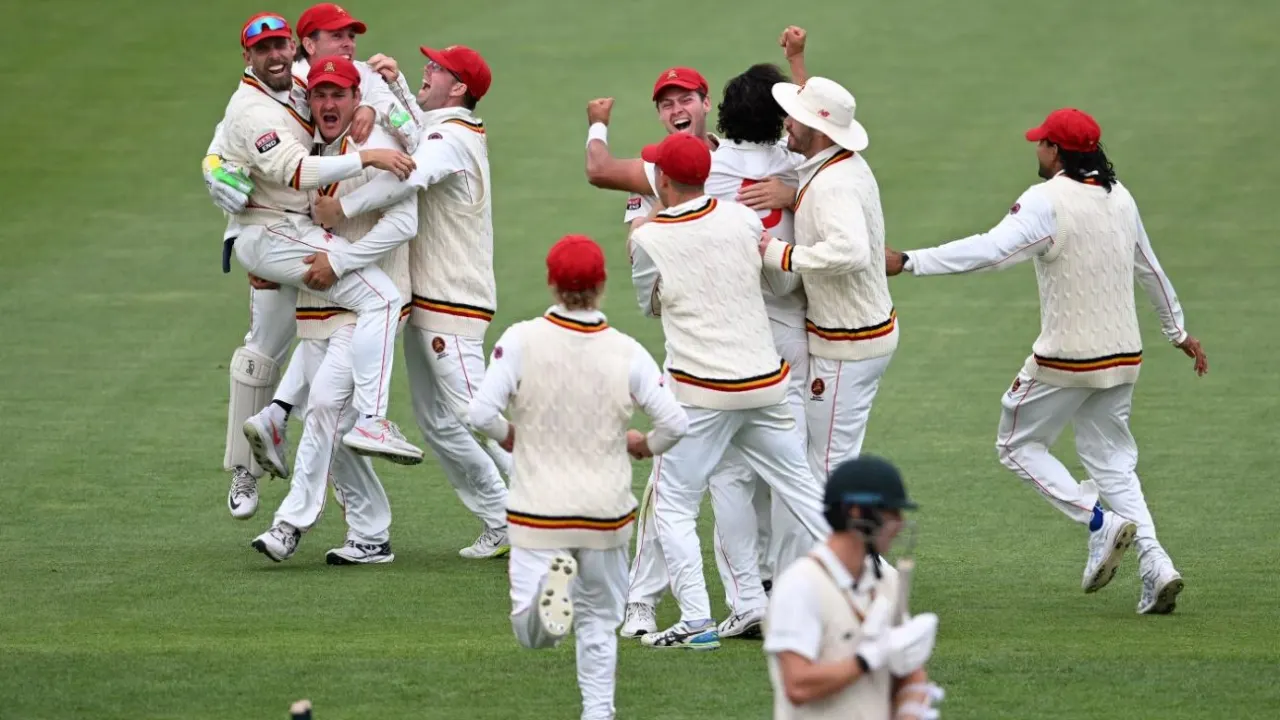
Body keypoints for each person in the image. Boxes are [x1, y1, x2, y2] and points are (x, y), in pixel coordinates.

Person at [884, 108, 1205, 614]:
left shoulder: (1046, 200)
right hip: (1124, 357)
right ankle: (1156, 563)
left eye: (1041, 144)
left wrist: (910, 261)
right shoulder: (1119, 197)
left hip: (1066, 359)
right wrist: (1178, 332)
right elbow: (1152, 269)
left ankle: (1098, 521)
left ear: (1056, 152)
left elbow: (992, 251)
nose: (1036, 149)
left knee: (1015, 445)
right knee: (1114, 465)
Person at [583, 66, 791, 641]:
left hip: (752, 346)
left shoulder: (746, 156)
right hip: (709, 350)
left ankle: (748, 595)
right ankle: (651, 603)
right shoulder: (657, 169)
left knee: (726, 480)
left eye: (687, 98)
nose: (677, 106)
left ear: (706, 104)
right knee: (695, 483)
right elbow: (636, 246)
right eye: (666, 100)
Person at [205, 4, 420, 518]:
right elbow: (228, 140)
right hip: (275, 233)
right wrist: (214, 169)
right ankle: (245, 469)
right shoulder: (271, 92)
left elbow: (392, 110)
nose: (347, 45)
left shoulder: (340, 79)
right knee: (262, 351)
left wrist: (378, 103)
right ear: (308, 43)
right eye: (335, 36)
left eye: (351, 36)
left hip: (307, 231)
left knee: (324, 339)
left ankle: (282, 423)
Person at [467, 235, 689, 720]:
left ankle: (549, 602)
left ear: (551, 283)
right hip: (605, 513)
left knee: (532, 635)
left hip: (539, 511)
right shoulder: (626, 351)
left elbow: (479, 412)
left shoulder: (521, 340)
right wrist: (644, 445)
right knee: (599, 626)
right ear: (601, 285)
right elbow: (675, 423)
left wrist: (509, 436)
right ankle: (598, 713)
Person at [628, 133, 830, 650]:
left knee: (674, 504)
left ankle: (696, 619)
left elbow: (649, 305)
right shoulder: (741, 217)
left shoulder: (649, 240)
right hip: (765, 383)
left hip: (700, 393)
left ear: (664, 182)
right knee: (805, 491)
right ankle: (871, 589)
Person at [313, 45, 514, 559]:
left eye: (437, 68)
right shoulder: (445, 127)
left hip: (454, 300)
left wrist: (344, 207)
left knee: (478, 413)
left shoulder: (450, 138)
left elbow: (409, 170)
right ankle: (503, 517)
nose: (427, 69)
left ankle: (559, 512)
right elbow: (415, 130)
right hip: (430, 299)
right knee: (440, 422)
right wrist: (396, 88)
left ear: (460, 88)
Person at [248, 56, 416, 563]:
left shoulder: (374, 147)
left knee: (323, 407)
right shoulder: (311, 152)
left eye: (338, 94)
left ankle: (289, 525)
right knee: (334, 426)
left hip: (365, 306)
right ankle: (371, 534)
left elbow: (404, 221)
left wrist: (340, 261)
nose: (327, 103)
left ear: (355, 100)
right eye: (319, 94)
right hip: (321, 308)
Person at [759, 74, 898, 482]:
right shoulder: (837, 164)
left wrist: (781, 254)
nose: (787, 122)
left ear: (819, 130)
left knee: (824, 469)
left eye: (796, 117)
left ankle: (852, 549)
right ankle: (862, 549)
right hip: (861, 334)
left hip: (848, 344)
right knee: (832, 462)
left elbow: (851, 251)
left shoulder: (833, 183)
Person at [764, 456, 943, 720]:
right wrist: (866, 659)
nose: (900, 523)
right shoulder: (800, 585)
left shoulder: (888, 582)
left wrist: (910, 709)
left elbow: (909, 670)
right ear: (856, 512)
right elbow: (798, 684)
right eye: (890, 511)